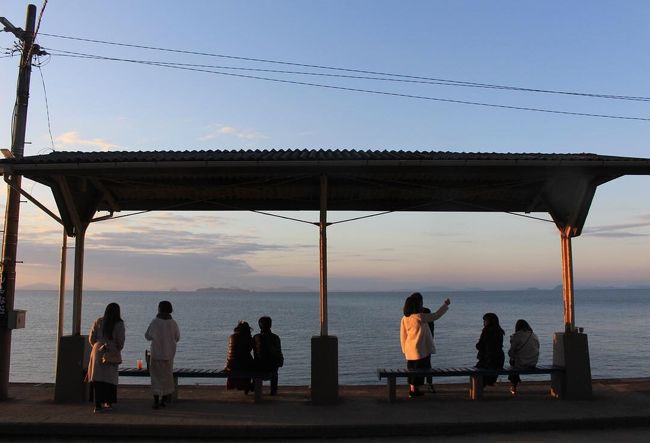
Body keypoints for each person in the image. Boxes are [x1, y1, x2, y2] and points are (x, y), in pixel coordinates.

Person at [400, 295, 451, 398]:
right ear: (417, 305)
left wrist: (404, 349)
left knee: (412, 370)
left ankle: (412, 389)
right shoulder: (420, 317)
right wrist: (445, 305)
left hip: (410, 350)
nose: (422, 305)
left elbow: (403, 335)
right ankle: (414, 392)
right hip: (420, 350)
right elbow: (435, 315)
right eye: (421, 303)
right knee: (420, 371)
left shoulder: (405, 318)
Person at [87, 302, 125, 413]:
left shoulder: (98, 321)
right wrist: (117, 348)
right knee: (110, 378)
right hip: (111, 350)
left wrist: (96, 346)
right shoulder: (119, 324)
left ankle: (97, 405)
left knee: (97, 378)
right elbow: (120, 341)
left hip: (97, 350)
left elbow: (91, 338)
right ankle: (109, 402)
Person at [145, 300, 180, 409]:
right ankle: (163, 401)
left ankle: (156, 401)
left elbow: (147, 336)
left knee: (155, 378)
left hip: (156, 354)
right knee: (167, 378)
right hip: (169, 355)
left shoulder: (155, 322)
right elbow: (177, 337)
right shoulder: (173, 323)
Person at [410, 292, 436, 393]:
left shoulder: (410, 313)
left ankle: (414, 386)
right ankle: (428, 384)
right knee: (427, 365)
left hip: (415, 345)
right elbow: (431, 328)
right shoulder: (425, 311)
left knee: (414, 366)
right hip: (425, 343)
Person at [507, 319, 540, 395]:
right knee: (515, 361)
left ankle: (514, 385)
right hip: (533, 363)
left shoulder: (517, 336)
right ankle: (515, 382)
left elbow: (511, 353)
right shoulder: (534, 335)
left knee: (512, 361)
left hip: (521, 364)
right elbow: (538, 348)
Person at [253, 316, 284, 395]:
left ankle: (254, 387)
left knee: (255, 364)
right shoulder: (276, 337)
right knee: (274, 370)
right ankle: (273, 391)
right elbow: (278, 352)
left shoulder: (256, 337)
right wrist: (280, 362)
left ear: (260, 326)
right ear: (270, 325)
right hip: (272, 367)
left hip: (258, 367)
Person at [475, 312, 505, 387]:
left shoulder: (486, 331)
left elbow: (480, 346)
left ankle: (478, 392)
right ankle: (487, 383)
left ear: (489, 321)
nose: (483, 322)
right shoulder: (500, 331)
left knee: (477, 374)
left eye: (485, 320)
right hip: (499, 361)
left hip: (488, 361)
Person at [224, 320, 255, 394]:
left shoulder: (231, 337)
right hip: (243, 365)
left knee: (240, 360)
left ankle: (240, 385)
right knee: (251, 363)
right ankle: (249, 386)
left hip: (230, 365)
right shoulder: (249, 339)